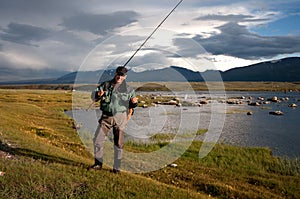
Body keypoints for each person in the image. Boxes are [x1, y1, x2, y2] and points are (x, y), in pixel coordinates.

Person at [89, 66, 138, 173]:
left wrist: (134, 103)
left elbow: (133, 105)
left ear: (125, 77)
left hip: (120, 118)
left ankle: (116, 168)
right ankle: (98, 164)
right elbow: (93, 97)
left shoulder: (129, 89)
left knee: (119, 143)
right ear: (115, 73)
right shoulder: (105, 85)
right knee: (97, 140)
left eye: (122, 75)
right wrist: (97, 94)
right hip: (106, 117)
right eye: (118, 74)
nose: (119, 77)